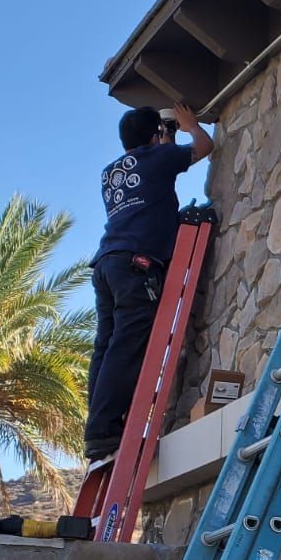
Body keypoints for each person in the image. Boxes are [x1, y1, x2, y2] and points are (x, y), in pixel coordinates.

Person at [84, 102, 215, 459]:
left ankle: (99, 430)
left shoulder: (111, 172)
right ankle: (107, 428)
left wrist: (164, 136)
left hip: (108, 262)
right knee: (127, 344)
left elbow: (156, 165)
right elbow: (204, 147)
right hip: (135, 265)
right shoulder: (156, 161)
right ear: (155, 135)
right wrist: (189, 125)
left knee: (107, 346)